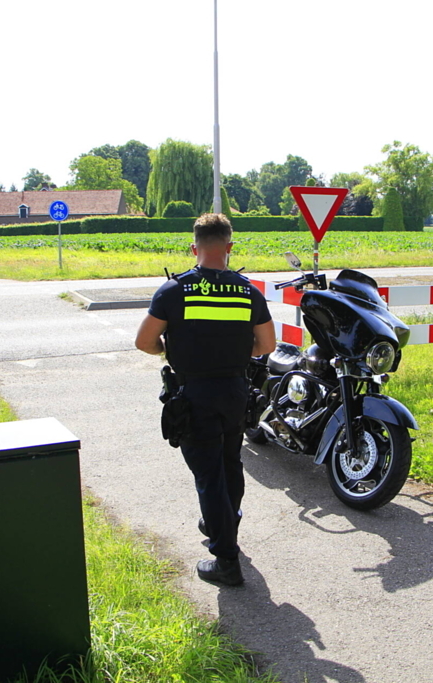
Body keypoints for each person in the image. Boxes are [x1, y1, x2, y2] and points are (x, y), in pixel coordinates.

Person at [135, 213, 276, 586]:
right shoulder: (248, 292)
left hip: (194, 393)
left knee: (209, 475)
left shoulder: (173, 291)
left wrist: (169, 350)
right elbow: (266, 345)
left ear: (193, 247)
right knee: (230, 463)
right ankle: (225, 523)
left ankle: (226, 560)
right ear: (230, 247)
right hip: (235, 391)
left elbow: (144, 341)